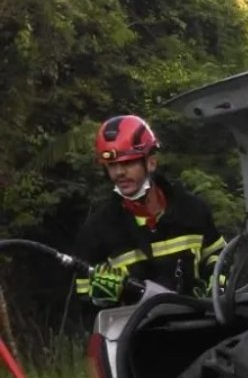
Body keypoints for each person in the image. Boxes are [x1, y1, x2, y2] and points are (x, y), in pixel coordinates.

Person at [73, 113, 227, 309]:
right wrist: (100, 296)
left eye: (128, 163)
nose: (119, 173)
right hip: (138, 327)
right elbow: (84, 298)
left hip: (199, 321)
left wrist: (217, 285)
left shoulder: (192, 211)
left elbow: (221, 257)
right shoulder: (98, 230)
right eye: (112, 165)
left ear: (151, 162)